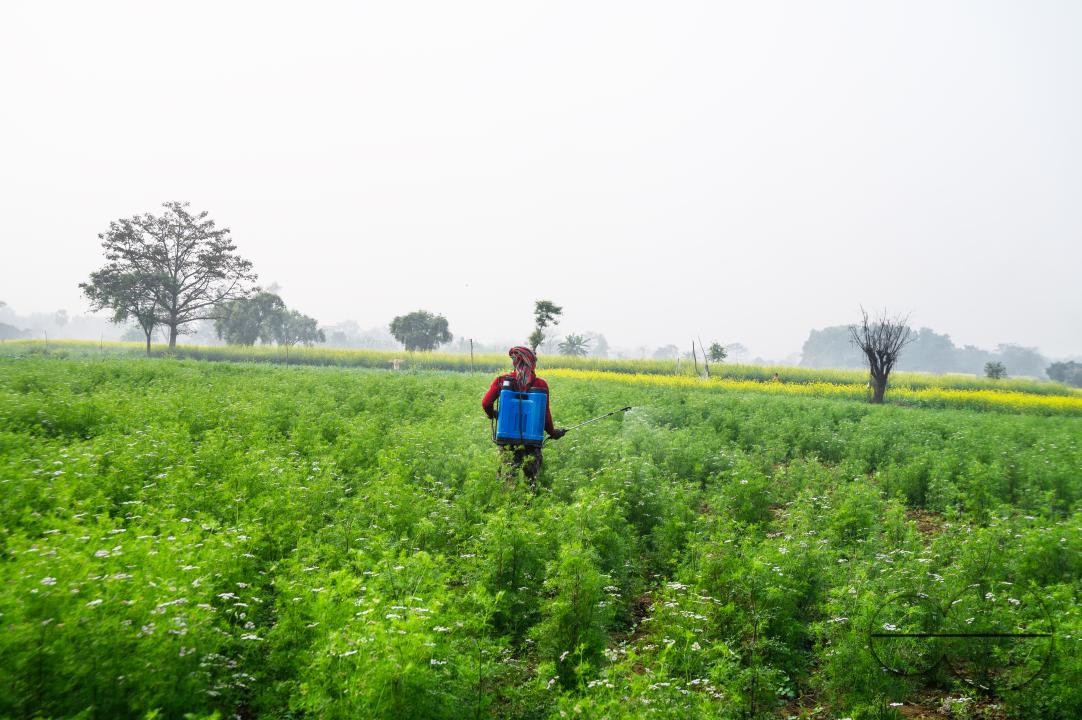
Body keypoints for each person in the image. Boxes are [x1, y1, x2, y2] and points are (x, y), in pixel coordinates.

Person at [482, 346, 566, 485]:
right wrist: (553, 432)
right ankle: (528, 505)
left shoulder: (502, 381)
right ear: (532, 363)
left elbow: (486, 403)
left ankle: (509, 505)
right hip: (531, 443)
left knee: (508, 480)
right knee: (530, 483)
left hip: (507, 440)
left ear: (515, 362)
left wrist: (494, 414)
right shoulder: (541, 384)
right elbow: (545, 415)